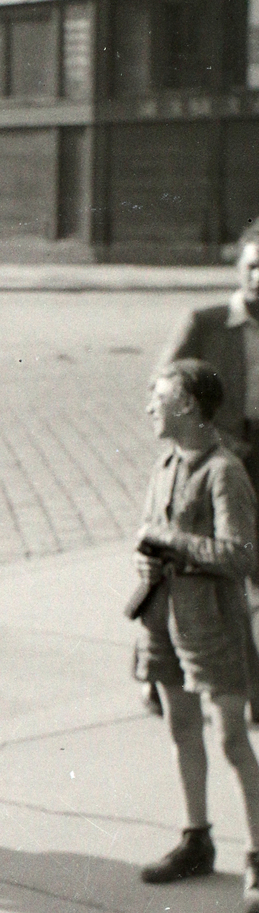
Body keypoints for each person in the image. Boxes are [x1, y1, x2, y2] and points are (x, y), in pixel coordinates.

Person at [132, 359, 259, 913]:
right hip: (164, 618)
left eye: (159, 399)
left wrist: (171, 542)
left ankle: (258, 853)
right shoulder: (166, 463)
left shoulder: (223, 471)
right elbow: (150, 539)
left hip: (213, 624)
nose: (150, 408)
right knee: (181, 726)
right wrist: (147, 560)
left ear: (186, 405)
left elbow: (240, 555)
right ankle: (196, 839)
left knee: (231, 740)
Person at [158, 223, 259, 715]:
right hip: (221, 455)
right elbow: (165, 387)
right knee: (205, 572)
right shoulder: (205, 322)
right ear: (237, 268)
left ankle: (248, 689)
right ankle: (161, 673)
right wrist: (210, 436)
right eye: (252, 266)